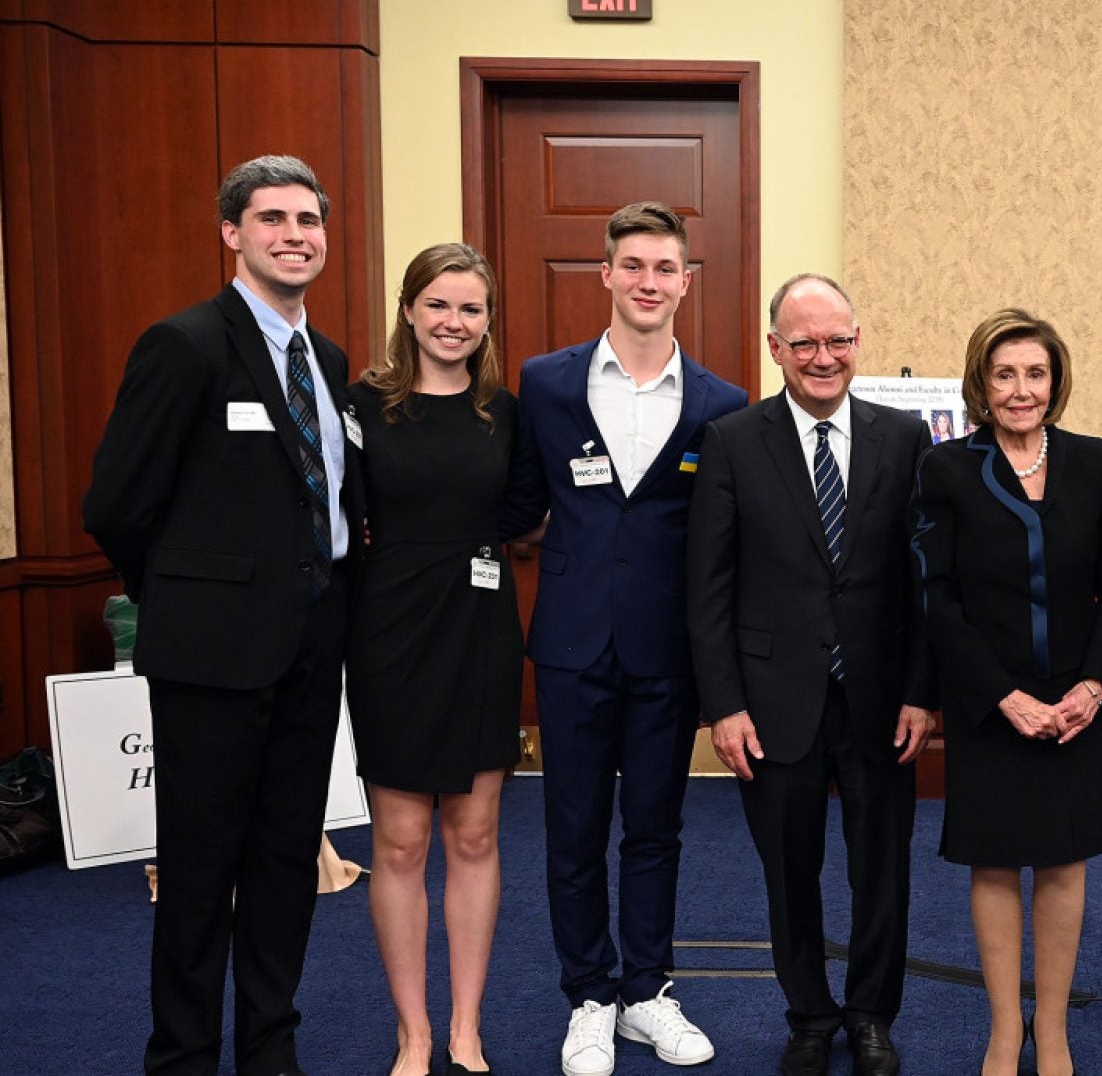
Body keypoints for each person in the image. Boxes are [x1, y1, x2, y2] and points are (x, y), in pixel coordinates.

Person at [83, 154, 362, 1076]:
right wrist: (188, 601)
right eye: (272, 217)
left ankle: (270, 1048)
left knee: (288, 859)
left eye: (308, 219)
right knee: (201, 872)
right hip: (210, 658)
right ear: (232, 233)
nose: (295, 234)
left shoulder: (325, 360)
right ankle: (184, 1056)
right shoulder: (187, 344)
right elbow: (118, 504)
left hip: (314, 647)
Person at [512, 201, 748, 1076]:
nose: (650, 283)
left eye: (666, 270)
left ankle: (647, 989)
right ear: (607, 275)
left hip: (666, 651)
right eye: (634, 266)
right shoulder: (547, 382)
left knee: (655, 827)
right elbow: (515, 503)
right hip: (571, 646)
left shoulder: (723, 403)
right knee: (573, 829)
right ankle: (590, 996)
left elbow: (723, 540)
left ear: (685, 284)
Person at [686, 274, 935, 1076]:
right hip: (771, 702)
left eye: (838, 341)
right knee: (789, 871)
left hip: (880, 698)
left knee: (882, 871)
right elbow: (708, 588)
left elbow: (925, 582)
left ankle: (869, 1015)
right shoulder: (731, 440)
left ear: (858, 342)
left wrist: (923, 692)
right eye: (805, 343)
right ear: (776, 350)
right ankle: (808, 1015)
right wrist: (723, 705)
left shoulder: (905, 439)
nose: (823, 357)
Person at [910, 309, 1102, 1076]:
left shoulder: (1094, 460)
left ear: (1055, 380)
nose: (1020, 389)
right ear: (981, 382)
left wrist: (1094, 686)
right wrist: (1003, 696)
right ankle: (1007, 1027)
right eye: (1004, 374)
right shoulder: (946, 469)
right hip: (990, 700)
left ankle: (1057, 1030)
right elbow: (938, 600)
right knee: (997, 862)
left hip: (1077, 701)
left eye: (1035, 373)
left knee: (1066, 862)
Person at [346, 243, 542, 1076]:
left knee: (473, 831)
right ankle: (413, 1032)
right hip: (388, 623)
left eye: (471, 309)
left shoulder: (506, 410)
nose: (454, 322)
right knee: (397, 839)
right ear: (409, 310)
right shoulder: (363, 402)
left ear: (488, 320)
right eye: (439, 305)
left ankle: (464, 1027)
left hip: (482, 625)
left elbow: (527, 509)